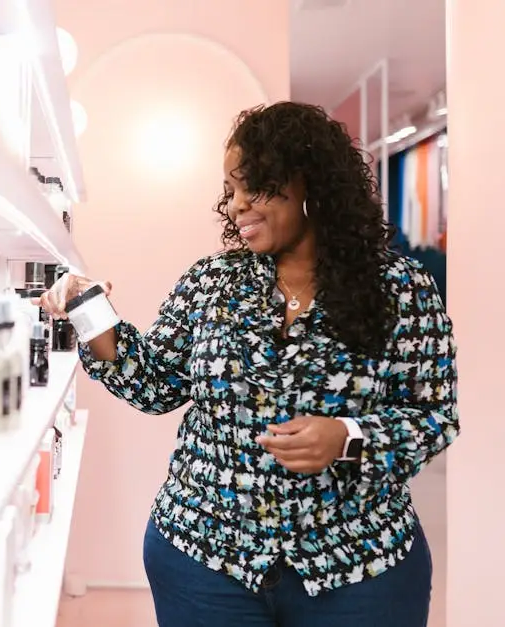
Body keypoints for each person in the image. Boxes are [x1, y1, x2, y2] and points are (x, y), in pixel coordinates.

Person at [37, 102, 459, 627]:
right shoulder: (212, 282)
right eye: (230, 191)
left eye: (252, 186)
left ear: (309, 183)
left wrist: (348, 437)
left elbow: (434, 416)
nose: (237, 206)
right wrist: (86, 306)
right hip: (206, 560)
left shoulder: (400, 287)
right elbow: (154, 385)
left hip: (360, 567)